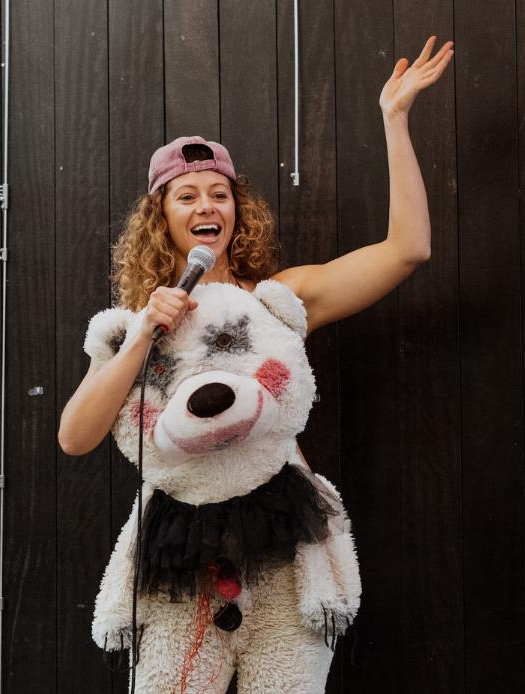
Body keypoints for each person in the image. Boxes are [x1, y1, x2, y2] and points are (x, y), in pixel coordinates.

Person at [58, 35, 453, 458]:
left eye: (219, 195)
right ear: (160, 219)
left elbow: (408, 249)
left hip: (283, 498)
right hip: (185, 502)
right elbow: (74, 439)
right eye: (187, 197)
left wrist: (394, 119)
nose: (207, 206)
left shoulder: (275, 302)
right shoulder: (138, 320)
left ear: (238, 211)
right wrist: (142, 337)